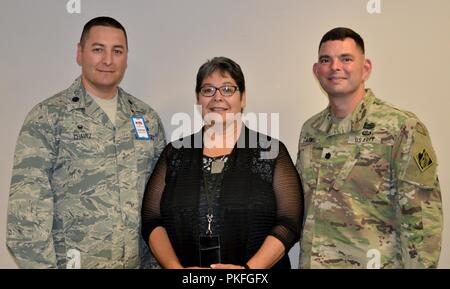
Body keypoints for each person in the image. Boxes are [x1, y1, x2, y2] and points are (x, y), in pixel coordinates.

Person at [6, 16, 166, 268]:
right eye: (97, 49)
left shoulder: (146, 118)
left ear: (125, 57)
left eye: (117, 51)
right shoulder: (48, 117)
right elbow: (26, 216)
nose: (107, 60)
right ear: (79, 53)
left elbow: (159, 206)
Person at [296, 27, 442, 268]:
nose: (335, 67)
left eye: (346, 59)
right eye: (326, 60)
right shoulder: (311, 130)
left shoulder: (401, 127)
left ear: (366, 68)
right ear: (316, 70)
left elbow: (423, 221)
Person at [141, 57, 302, 269]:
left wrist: (248, 272)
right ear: (198, 99)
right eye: (208, 90)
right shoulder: (175, 153)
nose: (217, 97)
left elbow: (289, 221)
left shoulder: (269, 151)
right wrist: (175, 269)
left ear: (243, 98)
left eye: (227, 89)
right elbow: (152, 218)